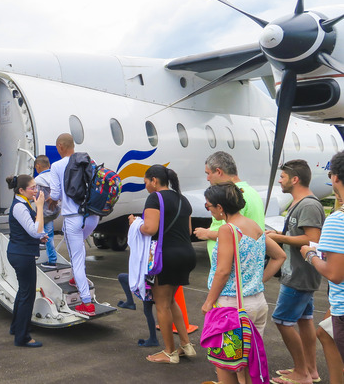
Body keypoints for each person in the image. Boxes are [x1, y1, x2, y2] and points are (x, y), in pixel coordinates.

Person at [203, 181, 285, 384]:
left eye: (209, 206)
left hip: (231, 308)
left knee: (226, 367)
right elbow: (280, 256)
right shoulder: (254, 225)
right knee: (248, 365)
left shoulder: (227, 230)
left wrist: (208, 302)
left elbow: (222, 271)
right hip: (256, 303)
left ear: (220, 208)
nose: (209, 210)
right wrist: (259, 279)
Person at [128, 164, 196, 364]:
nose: (146, 186)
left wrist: (135, 224)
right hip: (186, 255)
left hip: (166, 257)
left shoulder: (155, 198)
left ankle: (169, 352)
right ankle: (186, 345)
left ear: (154, 181)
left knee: (162, 305)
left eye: (146, 182)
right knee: (171, 300)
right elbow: (189, 229)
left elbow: (149, 228)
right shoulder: (183, 199)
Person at [266, 160, 325, 384]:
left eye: (282, 177)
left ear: (295, 179)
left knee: (281, 320)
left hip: (300, 275)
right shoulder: (298, 203)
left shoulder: (308, 205)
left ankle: (301, 374)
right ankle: (310, 369)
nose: (279, 180)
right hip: (299, 272)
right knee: (304, 319)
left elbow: (312, 239)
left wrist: (276, 237)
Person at [302, 151, 344, 366]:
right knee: (324, 334)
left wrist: (310, 255)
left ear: (335, 177)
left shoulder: (338, 219)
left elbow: (335, 274)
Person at [49, 133, 96, 316]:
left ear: (61, 146)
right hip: (92, 217)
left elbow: (54, 195)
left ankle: (86, 303)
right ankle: (78, 278)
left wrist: (51, 201)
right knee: (80, 250)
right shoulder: (87, 161)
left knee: (76, 257)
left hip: (73, 218)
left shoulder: (57, 166)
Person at [194, 151, 265, 262]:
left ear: (218, 171)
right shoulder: (251, 191)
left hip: (231, 266)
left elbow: (235, 234)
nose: (207, 178)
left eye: (208, 173)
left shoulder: (232, 196)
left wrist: (207, 233)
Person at [5, 174, 47, 347]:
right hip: (22, 255)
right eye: (32, 188)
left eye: (36, 187)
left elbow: (32, 232)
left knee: (24, 292)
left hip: (21, 252)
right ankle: (22, 337)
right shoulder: (20, 207)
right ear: (21, 190)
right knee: (27, 295)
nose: (35, 190)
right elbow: (35, 231)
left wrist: (38, 239)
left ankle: (17, 327)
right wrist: (40, 208)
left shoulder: (22, 203)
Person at [117, 272, 159, 347]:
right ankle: (153, 338)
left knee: (122, 277)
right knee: (149, 310)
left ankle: (153, 339)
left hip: (148, 282)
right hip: (155, 282)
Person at [34, 155, 60, 269]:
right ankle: (52, 259)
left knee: (39, 232)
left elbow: (36, 196)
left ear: (38, 166)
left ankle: (51, 260)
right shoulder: (54, 177)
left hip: (43, 213)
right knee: (49, 235)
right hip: (54, 212)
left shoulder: (38, 180)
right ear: (49, 165)